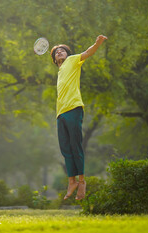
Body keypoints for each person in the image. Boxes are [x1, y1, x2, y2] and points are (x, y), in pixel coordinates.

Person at [50, 35, 107, 200]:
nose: (60, 52)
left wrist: (97, 43)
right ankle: (71, 181)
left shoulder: (73, 60)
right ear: (54, 59)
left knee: (76, 146)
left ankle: (82, 182)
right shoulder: (60, 71)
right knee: (65, 149)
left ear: (67, 54)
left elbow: (88, 52)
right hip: (60, 113)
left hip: (74, 109)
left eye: (62, 50)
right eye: (57, 52)